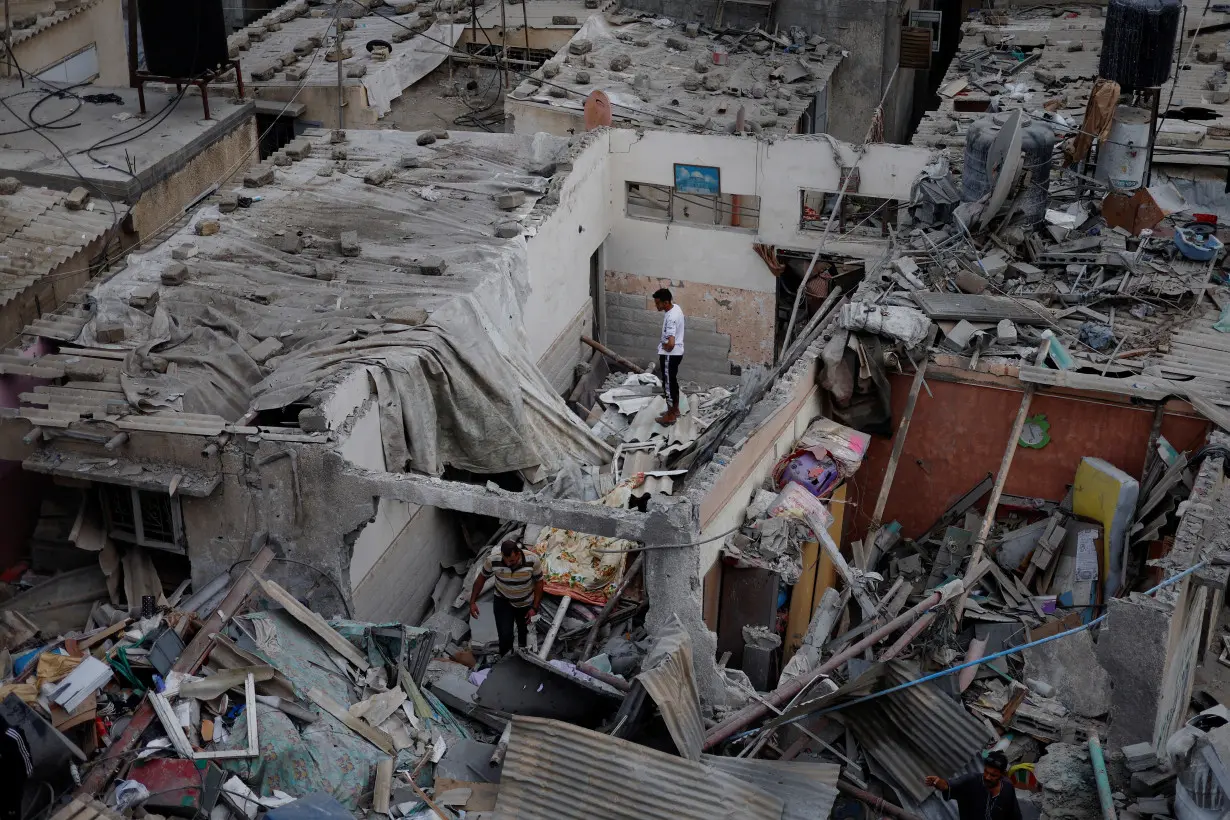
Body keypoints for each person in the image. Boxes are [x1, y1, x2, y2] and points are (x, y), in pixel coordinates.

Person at [469, 540, 544, 656]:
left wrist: (534, 607)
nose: (509, 564)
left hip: (525, 603)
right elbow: (481, 579)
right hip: (503, 601)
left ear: (518, 554)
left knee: (524, 634)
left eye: (512, 561)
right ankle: (504, 660)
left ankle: (523, 659)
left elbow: (539, 582)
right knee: (505, 635)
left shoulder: (532, 560)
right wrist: (472, 602)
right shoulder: (493, 560)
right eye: (506, 561)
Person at [925, 752, 1021, 820]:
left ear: (1002, 774)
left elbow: (1014, 814)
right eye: (986, 772)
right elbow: (948, 786)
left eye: (993, 775)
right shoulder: (971, 781)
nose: (987, 777)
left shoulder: (1007, 788)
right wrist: (939, 783)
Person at [653, 287, 685, 426]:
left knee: (667, 385)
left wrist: (664, 347)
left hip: (670, 355)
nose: (656, 305)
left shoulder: (671, 318)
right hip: (677, 354)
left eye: (658, 303)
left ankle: (670, 415)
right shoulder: (676, 308)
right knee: (672, 382)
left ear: (666, 302)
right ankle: (675, 409)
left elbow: (671, 343)